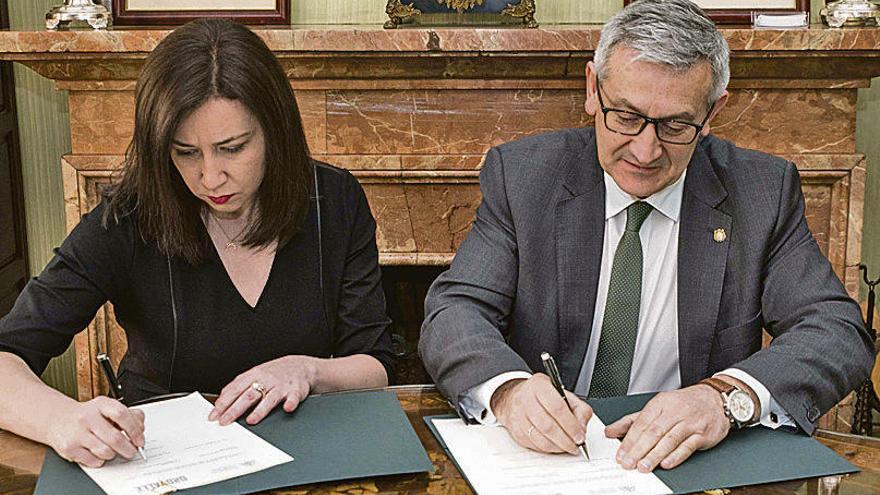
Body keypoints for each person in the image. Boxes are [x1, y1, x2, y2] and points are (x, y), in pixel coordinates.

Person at [419, 0, 874, 473]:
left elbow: (836, 331)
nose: (645, 149)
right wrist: (509, 390)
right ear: (593, 88)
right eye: (626, 116)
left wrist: (723, 399)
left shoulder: (760, 191)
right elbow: (456, 310)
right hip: (546, 462)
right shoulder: (525, 176)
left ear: (713, 112)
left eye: (676, 125)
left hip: (690, 465)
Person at [0, 19, 394, 468]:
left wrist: (309, 370)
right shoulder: (127, 219)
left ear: (275, 131)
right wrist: (60, 419)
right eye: (185, 152)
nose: (210, 178)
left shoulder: (334, 200)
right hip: (164, 467)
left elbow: (376, 363)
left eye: (232, 147)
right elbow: (6, 354)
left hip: (304, 454)